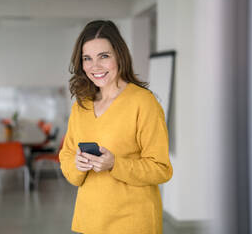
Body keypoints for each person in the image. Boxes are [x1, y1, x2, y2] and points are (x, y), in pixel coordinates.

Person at [59, 20, 173, 234]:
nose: (95, 67)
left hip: (133, 223)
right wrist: (77, 164)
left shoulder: (144, 102)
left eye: (104, 56)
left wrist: (114, 164)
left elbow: (161, 169)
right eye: (87, 58)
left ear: (119, 56)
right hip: (90, 221)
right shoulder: (81, 106)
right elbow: (66, 157)